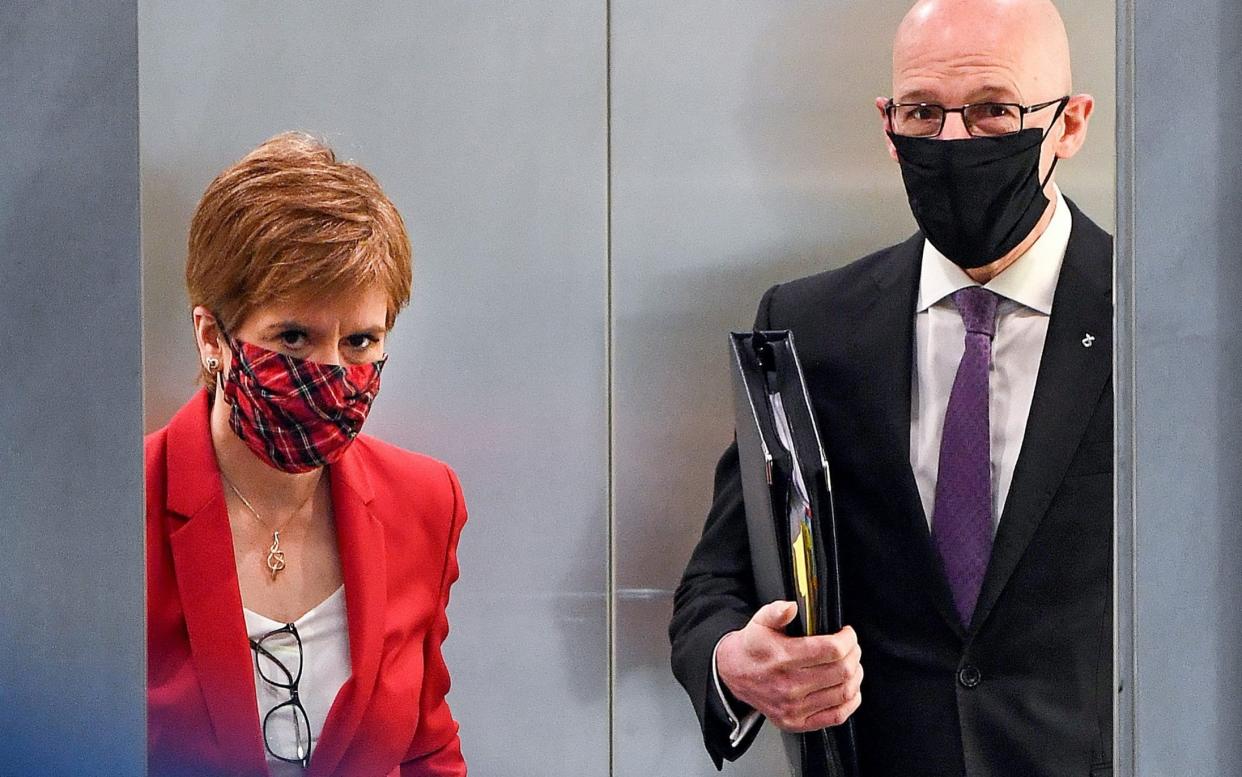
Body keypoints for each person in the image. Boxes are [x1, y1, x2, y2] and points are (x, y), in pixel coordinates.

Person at [669, 1, 1112, 775]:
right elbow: (716, 582)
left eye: (990, 111)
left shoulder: (1159, 323)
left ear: (1069, 125)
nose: (950, 140)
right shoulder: (813, 325)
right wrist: (736, 659)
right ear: (887, 123)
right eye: (921, 112)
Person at [146, 132, 467, 776]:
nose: (330, 372)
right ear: (212, 336)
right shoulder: (118, 511)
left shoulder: (423, 502)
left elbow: (426, 748)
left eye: (360, 341)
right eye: (294, 336)